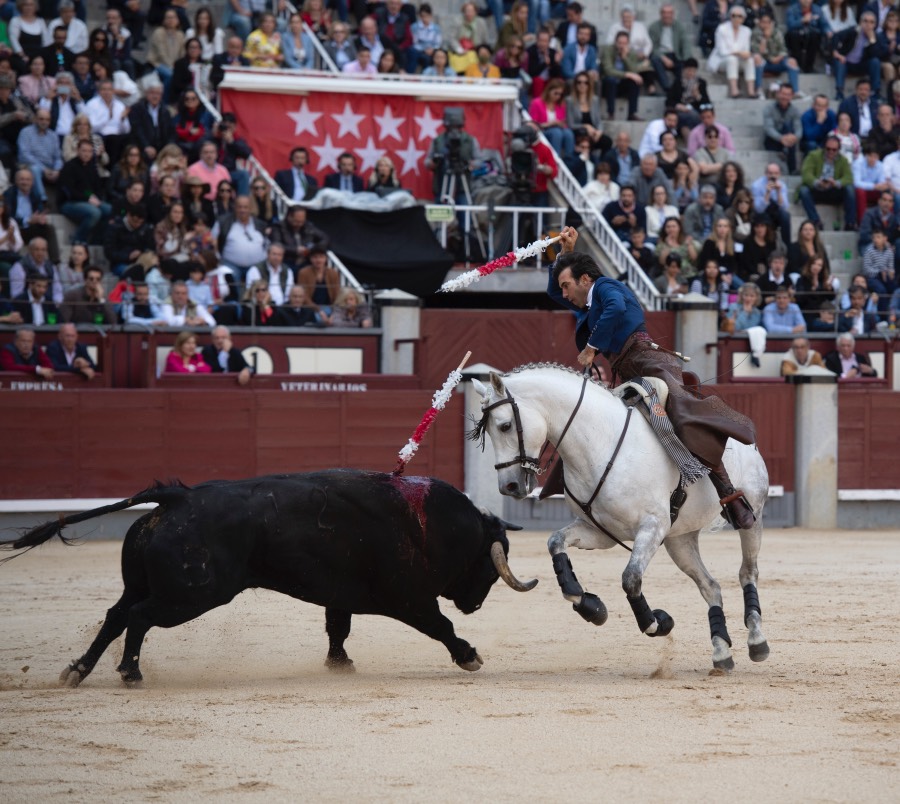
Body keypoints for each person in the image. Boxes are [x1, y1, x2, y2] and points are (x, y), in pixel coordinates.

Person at [549, 225, 757, 530]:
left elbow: (616, 308)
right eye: (564, 288)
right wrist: (565, 254)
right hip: (625, 369)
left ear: (584, 280)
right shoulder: (587, 299)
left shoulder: (606, 287)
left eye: (567, 285)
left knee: (682, 414)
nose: (564, 294)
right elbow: (554, 293)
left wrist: (592, 347)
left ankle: (728, 494)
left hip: (648, 362)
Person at [796, 135, 857, 231]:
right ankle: (815, 221)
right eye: (828, 149)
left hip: (834, 191)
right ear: (824, 147)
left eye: (834, 150)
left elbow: (849, 178)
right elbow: (806, 174)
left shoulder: (843, 160)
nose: (831, 152)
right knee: (804, 190)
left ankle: (850, 223)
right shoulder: (813, 156)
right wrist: (817, 182)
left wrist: (836, 183)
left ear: (838, 150)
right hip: (817, 190)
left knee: (849, 189)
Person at [211, 194, 267, 280]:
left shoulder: (260, 224)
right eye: (239, 207)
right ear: (235, 207)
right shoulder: (223, 222)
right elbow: (212, 240)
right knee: (229, 278)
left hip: (257, 265)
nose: (242, 210)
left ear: (250, 208)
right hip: (230, 264)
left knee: (258, 283)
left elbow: (267, 243)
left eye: (245, 207)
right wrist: (217, 258)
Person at [708, 4, 756, 99]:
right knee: (732, 59)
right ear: (730, 16)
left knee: (750, 60)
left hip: (738, 60)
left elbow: (746, 50)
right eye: (734, 15)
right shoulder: (722, 29)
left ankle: (751, 91)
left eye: (739, 16)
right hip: (721, 60)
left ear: (743, 18)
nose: (736, 18)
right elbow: (722, 51)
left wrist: (745, 54)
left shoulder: (747, 31)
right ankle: (734, 90)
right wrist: (738, 53)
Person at [599, 30, 648, 121]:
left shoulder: (632, 52)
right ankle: (611, 113)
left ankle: (632, 114)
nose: (622, 46)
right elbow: (608, 70)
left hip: (622, 85)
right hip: (608, 84)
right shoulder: (608, 50)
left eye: (624, 43)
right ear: (615, 42)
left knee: (634, 82)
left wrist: (625, 58)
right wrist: (627, 74)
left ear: (628, 43)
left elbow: (634, 70)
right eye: (620, 43)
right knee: (610, 80)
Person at [648, 4, 692, 90]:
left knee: (683, 65)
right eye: (664, 13)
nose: (667, 15)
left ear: (673, 14)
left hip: (675, 54)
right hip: (660, 55)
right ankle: (667, 87)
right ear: (661, 14)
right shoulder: (654, 27)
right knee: (654, 60)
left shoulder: (679, 26)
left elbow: (685, 43)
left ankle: (680, 88)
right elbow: (652, 47)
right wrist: (663, 58)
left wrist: (687, 59)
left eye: (669, 13)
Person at [763, 84, 801, 176]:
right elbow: (768, 128)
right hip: (773, 140)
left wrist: (794, 137)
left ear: (792, 96)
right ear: (778, 94)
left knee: (789, 128)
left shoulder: (795, 110)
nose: (785, 97)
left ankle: (791, 168)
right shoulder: (769, 109)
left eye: (788, 94)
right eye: (783, 94)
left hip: (789, 141)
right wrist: (781, 138)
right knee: (787, 129)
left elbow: (799, 129)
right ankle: (791, 168)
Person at [751, 162, 792, 246]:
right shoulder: (756, 185)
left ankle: (787, 245)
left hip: (776, 212)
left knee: (785, 216)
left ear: (779, 174)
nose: (773, 176)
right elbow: (758, 209)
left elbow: (784, 207)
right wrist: (767, 192)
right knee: (764, 217)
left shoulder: (782, 185)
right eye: (770, 173)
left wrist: (778, 192)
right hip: (763, 213)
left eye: (776, 173)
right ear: (765, 173)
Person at [8, 236, 59, 302]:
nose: (40, 253)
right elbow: (16, 294)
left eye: (43, 250)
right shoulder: (19, 267)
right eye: (37, 249)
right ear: (30, 250)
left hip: (48, 304)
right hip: (28, 304)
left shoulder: (51, 267)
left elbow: (57, 291)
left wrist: (54, 304)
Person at [786, 0, 826, 74]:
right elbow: (790, 25)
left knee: (815, 36)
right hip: (796, 33)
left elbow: (824, 24)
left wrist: (828, 31)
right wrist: (802, 20)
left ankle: (809, 67)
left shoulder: (817, 9)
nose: (807, 1)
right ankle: (797, 66)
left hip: (812, 33)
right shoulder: (791, 9)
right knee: (793, 36)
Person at [297, 245, 340, 310]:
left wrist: (334, 310)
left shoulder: (333, 273)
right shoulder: (303, 273)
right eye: (315, 257)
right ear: (310, 258)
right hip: (309, 308)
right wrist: (317, 309)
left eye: (321, 257)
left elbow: (337, 294)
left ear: (326, 258)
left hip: (330, 308)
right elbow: (303, 295)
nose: (318, 260)